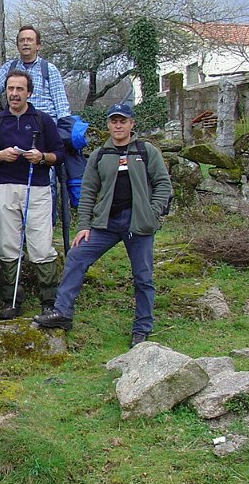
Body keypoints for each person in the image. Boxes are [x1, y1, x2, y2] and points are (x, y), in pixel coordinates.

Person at [34, 103, 172, 347]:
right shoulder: (99, 155)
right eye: (114, 121)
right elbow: (88, 192)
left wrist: (152, 213)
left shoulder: (145, 150)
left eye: (123, 121)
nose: (118, 125)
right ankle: (62, 312)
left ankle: (142, 328)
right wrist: (83, 226)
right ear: (108, 125)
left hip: (139, 222)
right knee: (76, 256)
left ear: (132, 124)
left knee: (143, 276)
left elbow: (163, 184)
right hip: (106, 222)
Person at [0, 70, 64, 319]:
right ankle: (11, 300)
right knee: (7, 244)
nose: (14, 94)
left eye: (19, 89)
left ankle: (49, 301)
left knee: (41, 246)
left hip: (37, 188)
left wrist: (42, 158)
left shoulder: (42, 120)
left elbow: (60, 154)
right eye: (10, 89)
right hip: (5, 188)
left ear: (29, 92)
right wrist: (0, 156)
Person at [0, 24, 72, 121]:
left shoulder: (49, 69)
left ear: (38, 45)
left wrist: (64, 128)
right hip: (17, 123)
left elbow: (61, 102)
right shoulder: (11, 67)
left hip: (44, 125)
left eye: (29, 40)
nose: (25, 43)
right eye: (22, 40)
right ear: (17, 45)